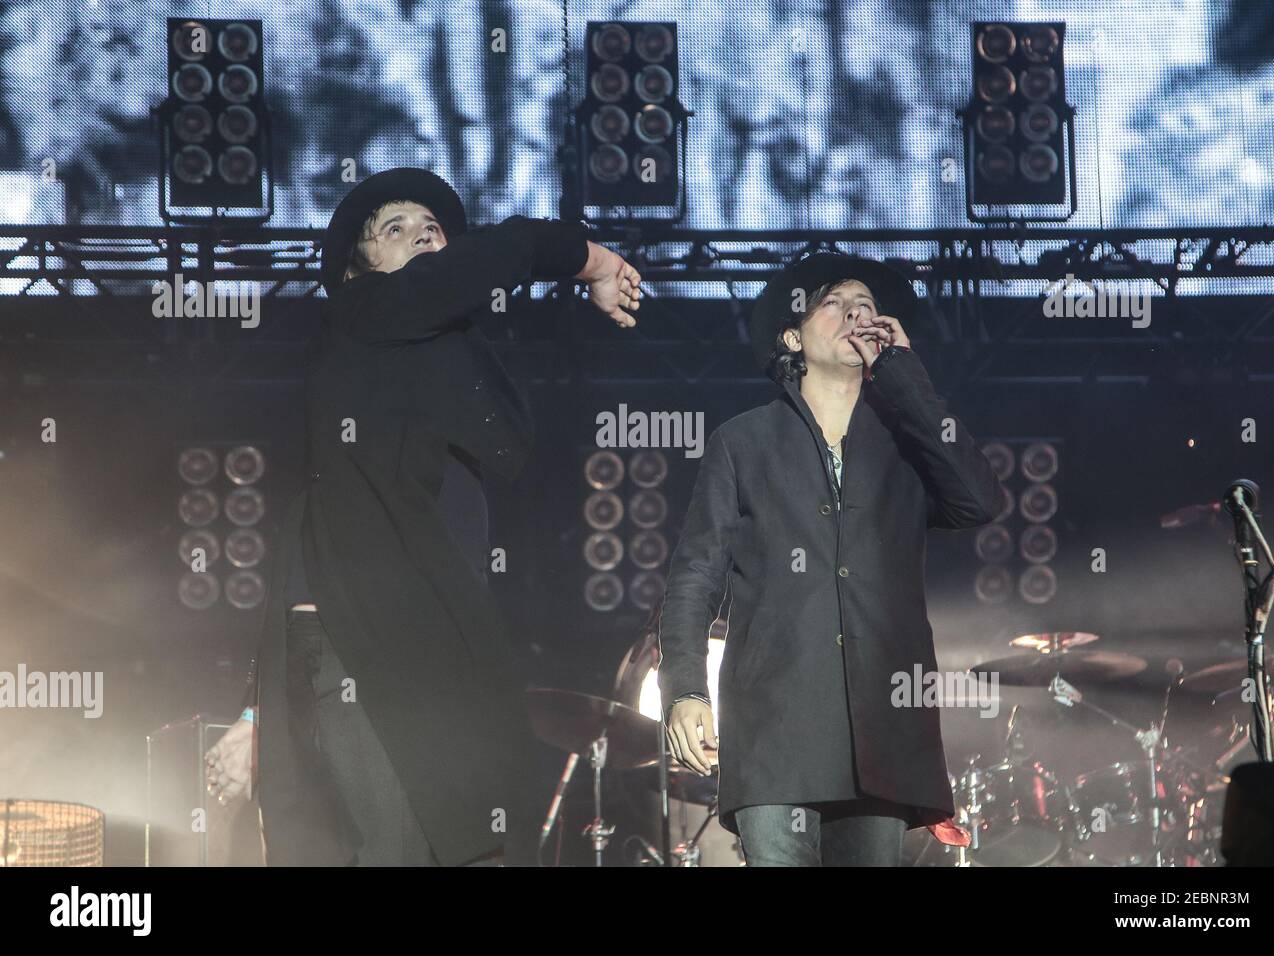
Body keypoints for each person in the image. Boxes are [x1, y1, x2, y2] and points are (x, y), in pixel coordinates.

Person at [204, 167, 641, 865]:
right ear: (358, 270)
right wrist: (596, 262)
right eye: (395, 230)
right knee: (402, 844)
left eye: (434, 230)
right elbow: (514, 244)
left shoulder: (436, 368)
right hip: (366, 639)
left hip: (433, 636)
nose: (424, 239)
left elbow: (505, 443)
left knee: (475, 843)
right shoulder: (368, 310)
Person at [658, 253, 1001, 866]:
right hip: (775, 728)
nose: (856, 314)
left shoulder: (907, 444)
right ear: (793, 336)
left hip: (881, 731)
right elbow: (695, 575)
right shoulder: (744, 442)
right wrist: (684, 689)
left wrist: (905, 376)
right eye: (835, 303)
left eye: (867, 307)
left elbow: (979, 501)